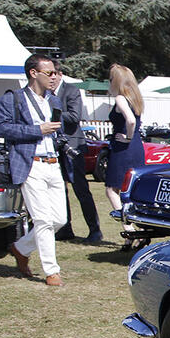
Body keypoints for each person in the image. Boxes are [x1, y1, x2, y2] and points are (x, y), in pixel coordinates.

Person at [0, 53, 67, 286]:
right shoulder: (13, 99)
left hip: (53, 163)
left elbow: (57, 130)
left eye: (55, 73)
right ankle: (51, 271)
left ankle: (20, 248)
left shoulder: (54, 100)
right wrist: (38, 129)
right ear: (33, 73)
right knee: (43, 219)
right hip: (29, 163)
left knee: (59, 219)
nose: (54, 77)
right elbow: (2, 128)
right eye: (49, 73)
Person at [51, 64, 102, 244]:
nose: (50, 78)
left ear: (60, 74)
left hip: (73, 147)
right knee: (59, 190)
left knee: (81, 190)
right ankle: (65, 228)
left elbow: (74, 116)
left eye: (53, 74)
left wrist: (51, 112)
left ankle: (94, 230)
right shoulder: (45, 93)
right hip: (54, 148)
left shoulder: (70, 91)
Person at [104, 64, 146, 226]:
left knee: (112, 190)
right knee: (132, 188)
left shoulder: (120, 98)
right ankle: (137, 226)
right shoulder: (135, 99)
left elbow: (130, 120)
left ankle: (128, 228)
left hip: (123, 147)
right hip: (136, 146)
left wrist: (127, 137)